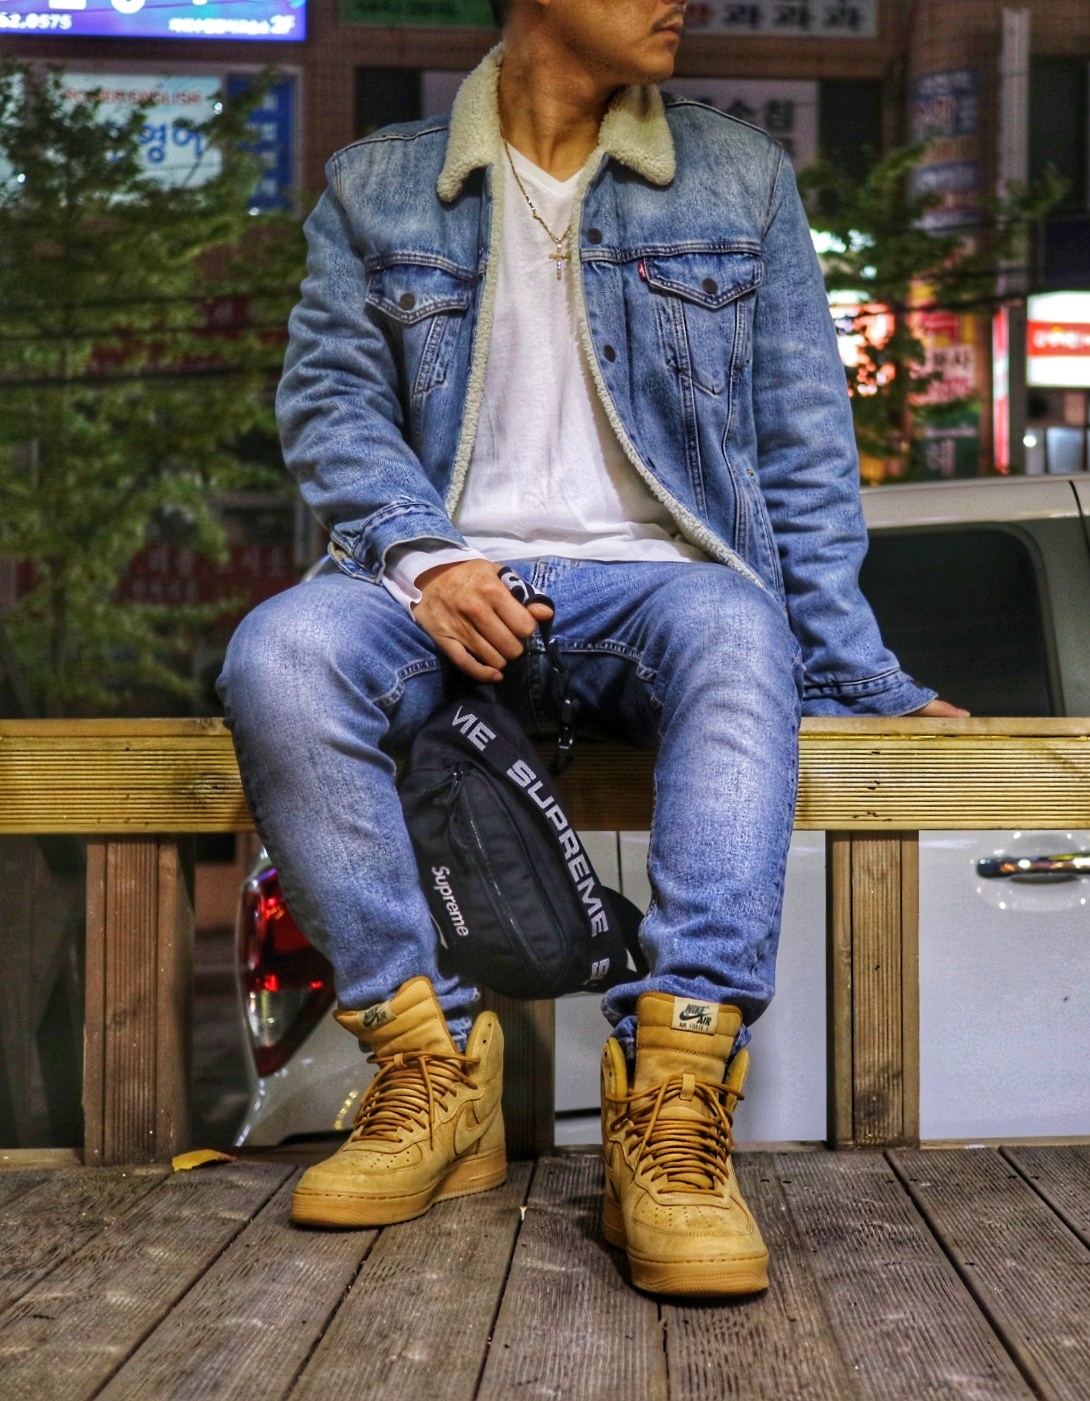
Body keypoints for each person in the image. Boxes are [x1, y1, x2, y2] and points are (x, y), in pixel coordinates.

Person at [219, 0, 965, 1299]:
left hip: (659, 590)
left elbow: (802, 448)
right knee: (279, 652)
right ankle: (432, 1068)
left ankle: (670, 1108)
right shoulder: (375, 187)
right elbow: (331, 401)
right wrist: (423, 555)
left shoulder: (739, 177)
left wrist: (858, 676)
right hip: (441, 580)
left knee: (738, 621)